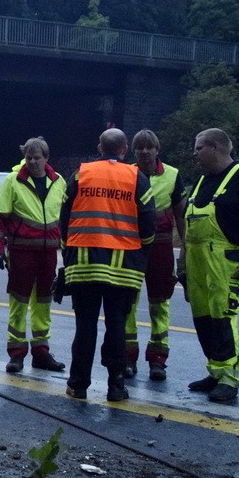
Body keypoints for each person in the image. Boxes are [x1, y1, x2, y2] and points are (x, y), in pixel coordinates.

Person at [60, 128, 156, 402]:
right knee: (117, 326)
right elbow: (149, 222)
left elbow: (64, 220)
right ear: (125, 149)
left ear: (100, 148)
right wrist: (142, 249)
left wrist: (68, 253)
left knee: (85, 326)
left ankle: (78, 384)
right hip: (123, 268)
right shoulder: (137, 177)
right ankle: (116, 385)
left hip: (83, 265)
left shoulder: (80, 174)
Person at [183, 128, 239, 403]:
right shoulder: (202, 181)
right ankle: (216, 370)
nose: (194, 154)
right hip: (197, 260)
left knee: (223, 316)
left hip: (226, 259)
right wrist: (183, 265)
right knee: (203, 317)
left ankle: (229, 378)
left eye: (198, 148)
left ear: (216, 147)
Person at [0, 137, 67, 373]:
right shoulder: (13, 182)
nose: (33, 162)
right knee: (19, 303)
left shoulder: (59, 182)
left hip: (48, 254)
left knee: (44, 302)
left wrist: (69, 252)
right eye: (29, 157)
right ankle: (16, 354)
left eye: (37, 157)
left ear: (46, 158)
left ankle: (41, 353)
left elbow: (64, 220)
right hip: (21, 252)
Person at [124, 130, 186, 381]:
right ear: (133, 151)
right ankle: (128, 358)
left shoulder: (172, 175)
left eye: (149, 147)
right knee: (128, 304)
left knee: (160, 304)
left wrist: (185, 250)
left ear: (157, 149)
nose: (145, 152)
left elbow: (181, 215)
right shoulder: (126, 174)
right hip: (132, 247)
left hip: (160, 248)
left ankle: (158, 360)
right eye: (140, 148)